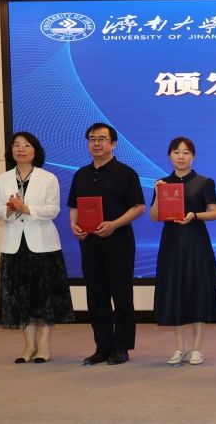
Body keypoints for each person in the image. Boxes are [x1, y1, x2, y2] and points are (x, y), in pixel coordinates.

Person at [0, 131, 75, 363]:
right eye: (16, 145)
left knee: (44, 298)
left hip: (43, 245)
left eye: (27, 145)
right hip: (14, 246)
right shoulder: (2, 179)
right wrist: (9, 209)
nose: (21, 149)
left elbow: (53, 210)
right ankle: (29, 346)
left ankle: (44, 347)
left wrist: (27, 209)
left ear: (35, 151)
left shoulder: (48, 178)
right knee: (22, 298)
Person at [68, 123, 146, 366]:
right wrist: (74, 225)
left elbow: (138, 207)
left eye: (102, 139)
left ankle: (121, 347)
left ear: (113, 144)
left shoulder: (126, 173)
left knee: (122, 296)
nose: (96, 143)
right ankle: (102, 347)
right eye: (92, 139)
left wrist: (114, 224)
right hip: (90, 244)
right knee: (96, 297)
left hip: (118, 242)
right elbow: (74, 206)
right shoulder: (81, 174)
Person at [149, 136, 216, 366]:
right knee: (175, 292)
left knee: (197, 292)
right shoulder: (162, 183)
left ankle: (197, 348)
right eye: (176, 152)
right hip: (171, 245)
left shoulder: (204, 182)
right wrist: (158, 194)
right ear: (169, 155)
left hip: (196, 244)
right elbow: (154, 217)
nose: (181, 157)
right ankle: (180, 347)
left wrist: (195, 215)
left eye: (186, 152)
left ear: (193, 156)